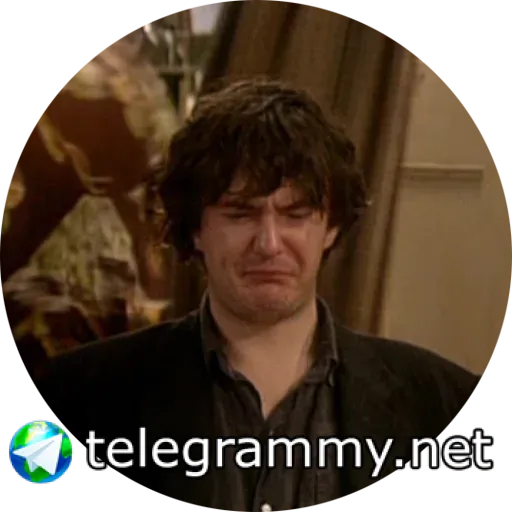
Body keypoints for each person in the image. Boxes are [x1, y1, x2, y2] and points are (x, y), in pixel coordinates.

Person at [29, 79, 479, 508]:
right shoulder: (71, 399)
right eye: (240, 214)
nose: (269, 243)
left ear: (331, 226)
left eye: (295, 214)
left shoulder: (445, 408)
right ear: (195, 228)